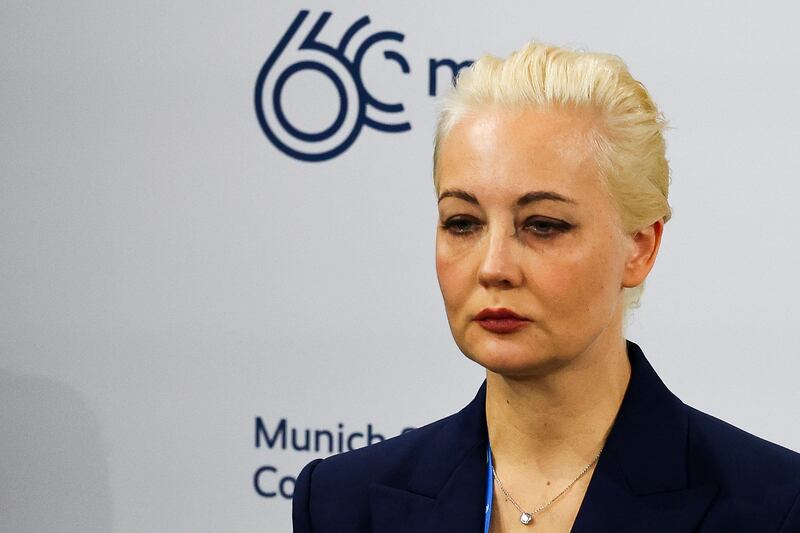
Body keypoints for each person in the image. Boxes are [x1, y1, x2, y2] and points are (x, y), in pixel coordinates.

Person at [291, 41, 800, 532]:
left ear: (640, 248)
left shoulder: (774, 506)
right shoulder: (343, 502)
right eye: (463, 223)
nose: (494, 267)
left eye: (543, 226)